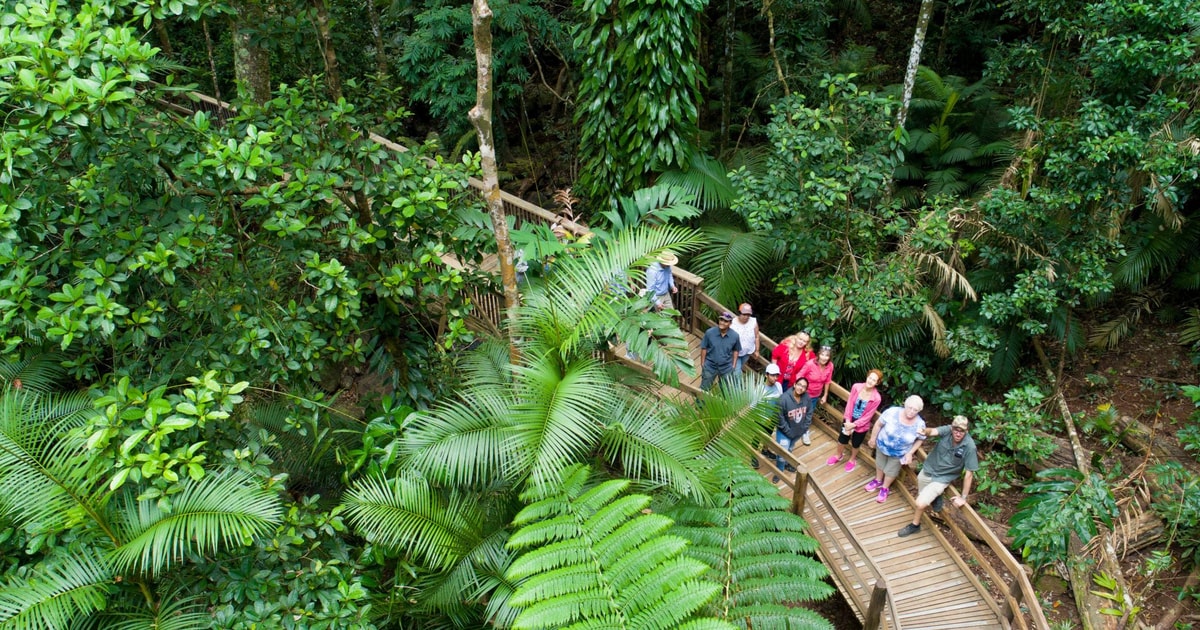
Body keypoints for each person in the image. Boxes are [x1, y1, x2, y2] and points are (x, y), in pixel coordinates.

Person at [898, 415, 979, 537]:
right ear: (952, 428)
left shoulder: (969, 447)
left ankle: (915, 525)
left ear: (966, 431)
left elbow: (969, 474)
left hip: (942, 478)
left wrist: (963, 497)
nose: (958, 433)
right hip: (929, 468)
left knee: (920, 503)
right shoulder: (947, 430)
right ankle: (936, 497)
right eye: (956, 429)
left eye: (961, 431)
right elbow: (933, 431)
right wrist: (925, 431)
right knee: (922, 493)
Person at [864, 395, 927, 503]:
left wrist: (911, 452)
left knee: (891, 471)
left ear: (919, 410)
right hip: (882, 445)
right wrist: (873, 438)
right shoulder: (892, 412)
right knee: (880, 464)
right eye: (910, 408)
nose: (911, 411)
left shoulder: (920, 424)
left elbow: (920, 439)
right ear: (905, 405)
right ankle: (878, 480)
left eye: (915, 410)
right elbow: (878, 424)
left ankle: (885, 488)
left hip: (899, 452)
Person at [827, 369, 883, 472]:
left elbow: (868, 416)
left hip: (861, 424)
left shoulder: (876, 398)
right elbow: (849, 404)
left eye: (874, 380)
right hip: (849, 418)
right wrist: (848, 420)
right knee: (842, 439)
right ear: (867, 377)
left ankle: (852, 459)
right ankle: (838, 455)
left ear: (877, 383)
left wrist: (854, 425)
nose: (870, 381)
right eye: (870, 378)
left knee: (856, 443)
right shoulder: (856, 387)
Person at [795, 345, 834, 444]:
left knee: (809, 413)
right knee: (798, 411)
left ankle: (805, 432)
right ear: (818, 354)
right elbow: (799, 375)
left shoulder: (830, 366)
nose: (824, 357)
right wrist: (801, 387)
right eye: (822, 354)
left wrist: (825, 395)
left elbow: (828, 381)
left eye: (827, 356)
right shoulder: (810, 364)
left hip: (816, 394)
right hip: (804, 392)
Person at [774, 377, 811, 479]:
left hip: (798, 431)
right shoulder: (783, 399)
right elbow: (779, 418)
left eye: (804, 387)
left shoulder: (806, 398)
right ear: (794, 384)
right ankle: (779, 472)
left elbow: (809, 413)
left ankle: (786, 464)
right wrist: (788, 431)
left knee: (790, 449)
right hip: (785, 431)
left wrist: (804, 428)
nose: (801, 388)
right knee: (782, 452)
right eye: (799, 385)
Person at [699, 311, 740, 390]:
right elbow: (704, 347)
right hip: (710, 366)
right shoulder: (710, 333)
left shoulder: (735, 336)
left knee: (726, 390)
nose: (722, 323)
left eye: (725, 321)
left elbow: (736, 350)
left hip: (726, 367)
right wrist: (702, 363)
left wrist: (734, 365)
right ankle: (700, 403)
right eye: (721, 320)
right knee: (704, 388)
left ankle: (723, 402)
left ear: (730, 323)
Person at [730, 303, 760, 373]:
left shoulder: (753, 322)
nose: (746, 317)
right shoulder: (732, 323)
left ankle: (729, 379)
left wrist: (757, 350)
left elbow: (757, 336)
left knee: (738, 367)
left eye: (748, 315)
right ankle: (737, 383)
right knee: (737, 372)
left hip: (747, 352)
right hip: (734, 352)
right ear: (739, 313)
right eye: (744, 314)